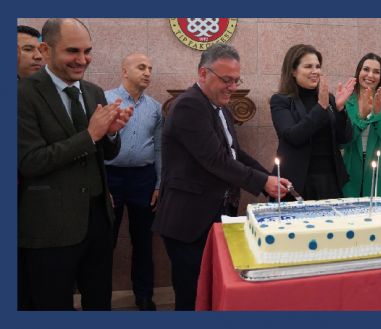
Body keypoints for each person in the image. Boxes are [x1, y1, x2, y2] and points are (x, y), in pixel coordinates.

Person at [152, 43, 289, 310]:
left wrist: (271, 177)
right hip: (188, 221)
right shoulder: (189, 106)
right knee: (191, 297)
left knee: (211, 293)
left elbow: (234, 154)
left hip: (214, 215)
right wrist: (263, 183)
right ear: (203, 74)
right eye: (226, 80)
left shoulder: (221, 107)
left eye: (236, 80)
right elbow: (215, 160)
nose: (233, 87)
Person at [18, 18, 132, 310]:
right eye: (72, 51)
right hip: (50, 228)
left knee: (99, 303)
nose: (82, 60)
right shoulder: (23, 94)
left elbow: (104, 154)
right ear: (45, 49)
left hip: (97, 221)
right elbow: (29, 162)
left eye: (87, 51)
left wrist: (112, 132)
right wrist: (91, 135)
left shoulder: (93, 91)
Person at [104, 53, 163, 311]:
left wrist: (159, 184)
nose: (148, 72)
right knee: (105, 242)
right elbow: (95, 145)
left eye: (150, 68)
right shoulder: (105, 100)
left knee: (143, 243)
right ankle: (99, 298)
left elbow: (160, 147)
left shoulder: (155, 108)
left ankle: (144, 297)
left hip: (144, 179)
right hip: (110, 179)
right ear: (124, 70)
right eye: (141, 67)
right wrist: (101, 184)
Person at [270, 44, 355, 200]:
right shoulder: (280, 101)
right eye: (308, 66)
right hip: (296, 183)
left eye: (317, 66)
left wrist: (339, 109)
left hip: (329, 181)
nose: (315, 71)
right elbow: (293, 136)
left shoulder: (328, 98)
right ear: (293, 71)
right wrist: (321, 108)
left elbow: (345, 138)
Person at [341, 53, 381, 198]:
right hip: (350, 171)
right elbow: (342, 142)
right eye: (366, 69)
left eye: (376, 72)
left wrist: (379, 114)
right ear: (359, 72)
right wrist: (361, 118)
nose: (370, 75)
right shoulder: (346, 101)